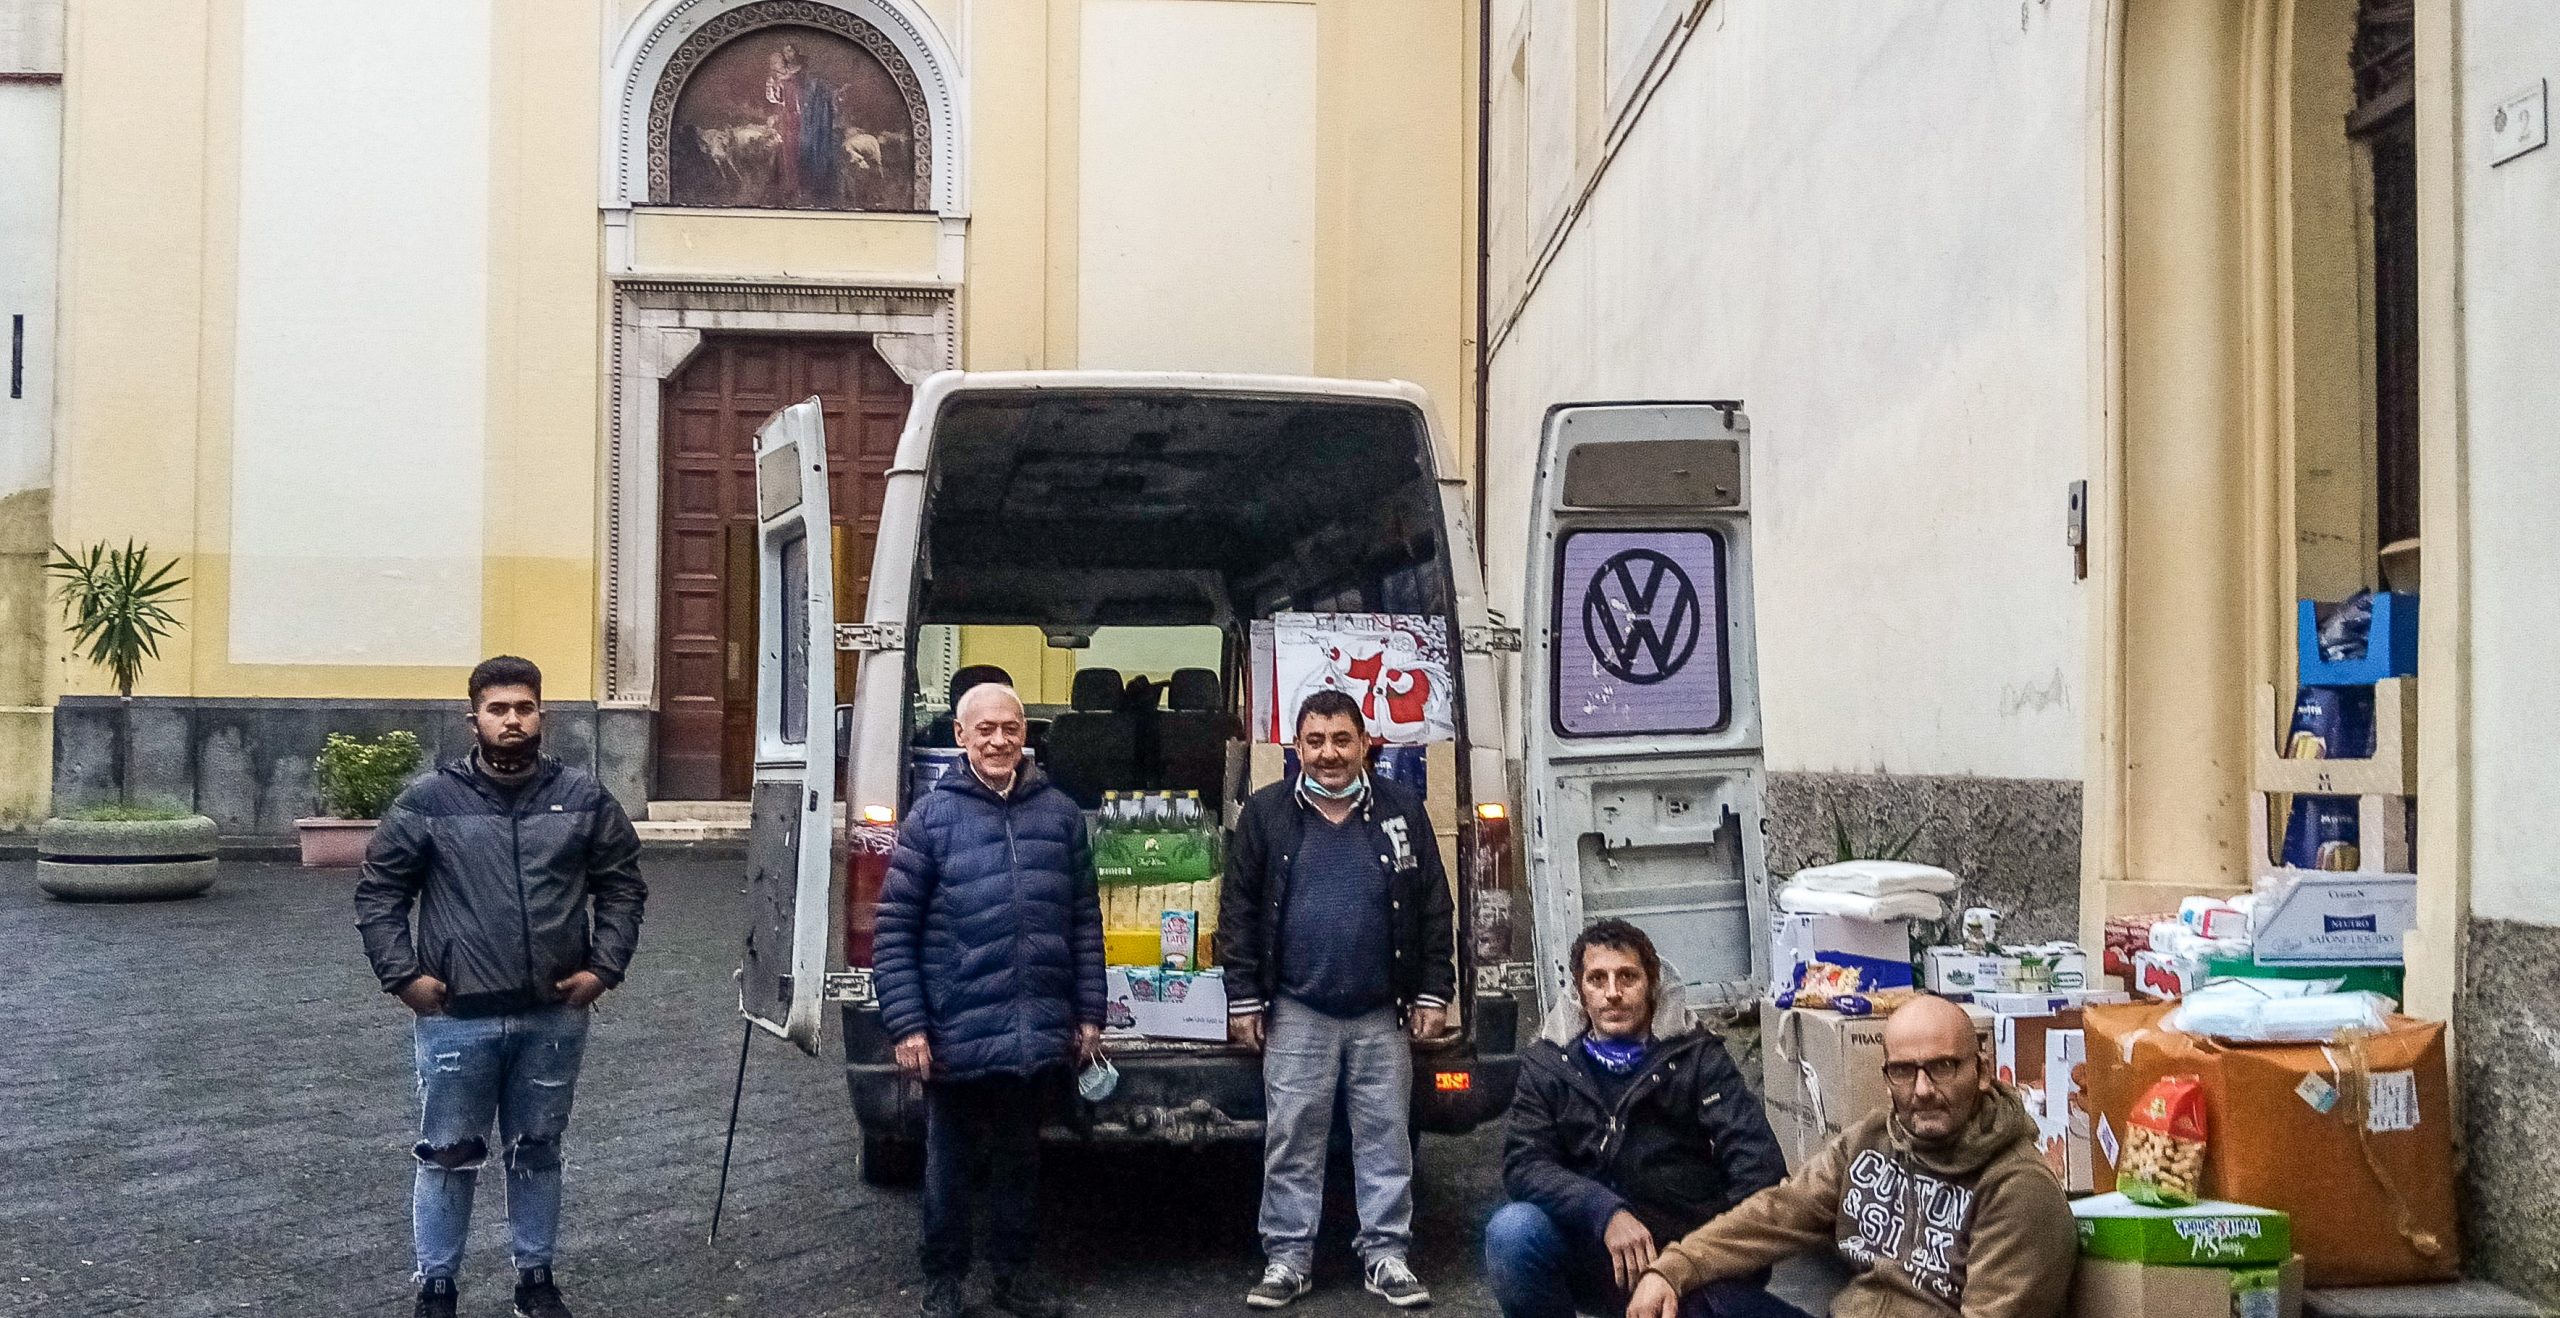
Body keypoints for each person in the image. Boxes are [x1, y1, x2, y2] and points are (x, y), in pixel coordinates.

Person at [354, 656, 648, 1318]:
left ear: (543, 715)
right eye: (498, 709)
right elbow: (380, 891)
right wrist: (403, 976)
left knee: (538, 1152)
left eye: (523, 708)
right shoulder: (430, 802)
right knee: (447, 1155)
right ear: (474, 720)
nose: (512, 720)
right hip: (458, 1018)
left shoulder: (583, 798)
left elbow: (622, 886)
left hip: (553, 1014)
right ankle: (436, 1287)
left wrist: (605, 967)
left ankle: (535, 1281)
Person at [874, 682, 1105, 1318]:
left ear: (1026, 733)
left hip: (1034, 1028)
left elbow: (1085, 921)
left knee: (1019, 1164)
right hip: (957, 1028)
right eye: (986, 730)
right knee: (947, 1166)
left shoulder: (1060, 815)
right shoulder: (930, 820)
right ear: (960, 737)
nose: (1000, 741)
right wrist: (908, 1026)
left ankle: (1013, 1277)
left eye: (1011, 728)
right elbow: (893, 932)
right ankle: (943, 1280)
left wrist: (1090, 1013)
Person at [1220, 689, 1455, 1310]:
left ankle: (1387, 1256)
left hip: (1382, 1012)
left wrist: (1434, 992)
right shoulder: (1266, 813)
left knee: (1386, 1140)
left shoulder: (1401, 809)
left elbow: (1434, 905)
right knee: (1292, 1142)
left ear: (1366, 744)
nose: (1329, 753)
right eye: (1316, 741)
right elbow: (1238, 911)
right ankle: (1287, 1261)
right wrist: (1244, 998)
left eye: (1342, 740)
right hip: (1297, 1010)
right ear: (1297, 747)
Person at [1627, 996, 2078, 1318]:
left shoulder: (2019, 1188)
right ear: (1887, 1079)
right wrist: (1671, 1268)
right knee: (1693, 1298)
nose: (1922, 1090)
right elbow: (1778, 1212)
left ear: (1981, 1072)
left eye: (1942, 1067)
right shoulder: (1873, 1139)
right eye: (1904, 1071)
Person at [1485, 919, 1790, 1318]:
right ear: (1580, 991)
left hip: (1686, 1258)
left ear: (1652, 984)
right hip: (1596, 1253)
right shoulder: (1548, 1064)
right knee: (1513, 1232)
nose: (1612, 993)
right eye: (1597, 979)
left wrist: (1701, 1257)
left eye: (1627, 977)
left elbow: (1758, 1164)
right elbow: (1525, 1164)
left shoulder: (1697, 1057)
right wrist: (1604, 1212)